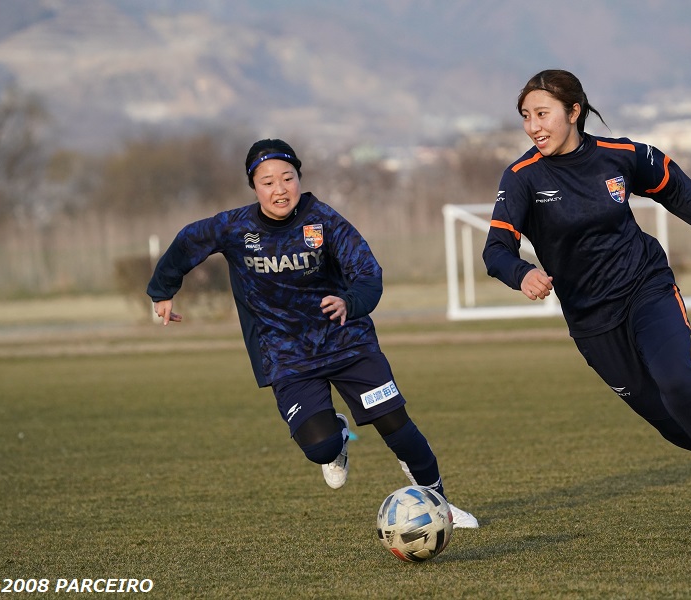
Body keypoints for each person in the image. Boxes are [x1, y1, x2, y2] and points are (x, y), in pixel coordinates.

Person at [482, 69, 691, 528]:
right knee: (666, 418)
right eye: (525, 117)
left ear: (574, 112)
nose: (533, 126)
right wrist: (522, 274)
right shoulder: (521, 178)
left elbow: (680, 192)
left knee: (677, 382)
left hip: (646, 288)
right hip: (591, 318)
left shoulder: (621, 156)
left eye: (543, 114)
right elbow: (495, 251)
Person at [147, 138, 478, 528]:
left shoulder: (323, 220)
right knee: (321, 448)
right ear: (254, 186)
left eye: (287, 178)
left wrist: (349, 303)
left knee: (396, 427)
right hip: (287, 355)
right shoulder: (234, 227)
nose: (279, 189)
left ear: (299, 179)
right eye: (267, 181)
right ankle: (337, 437)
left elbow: (369, 273)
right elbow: (188, 240)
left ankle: (440, 506)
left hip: (347, 342)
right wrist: (162, 290)